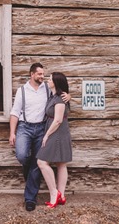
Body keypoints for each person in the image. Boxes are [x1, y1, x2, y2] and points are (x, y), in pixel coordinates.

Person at [9, 63, 70, 212]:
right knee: (22, 156)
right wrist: (12, 132)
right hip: (25, 127)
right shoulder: (22, 90)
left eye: (43, 74)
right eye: (39, 74)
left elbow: (60, 96)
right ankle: (32, 170)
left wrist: (69, 95)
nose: (42, 77)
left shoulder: (47, 89)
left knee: (38, 162)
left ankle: (30, 198)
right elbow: (15, 112)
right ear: (31, 74)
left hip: (42, 127)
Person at [36, 72, 72, 209]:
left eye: (50, 79)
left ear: (56, 83)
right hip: (58, 131)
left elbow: (57, 120)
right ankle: (61, 196)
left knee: (41, 162)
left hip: (57, 132)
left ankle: (54, 193)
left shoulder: (60, 98)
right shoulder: (54, 96)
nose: (47, 80)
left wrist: (46, 135)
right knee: (61, 164)